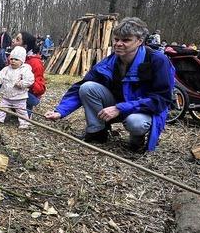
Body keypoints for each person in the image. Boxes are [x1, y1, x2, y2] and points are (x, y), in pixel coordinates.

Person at [44, 17, 174, 152]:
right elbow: (82, 85)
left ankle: (137, 139)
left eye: (126, 40)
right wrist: (60, 111)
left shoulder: (158, 61)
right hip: (117, 105)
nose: (118, 44)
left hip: (144, 109)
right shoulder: (111, 61)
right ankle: (97, 132)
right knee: (87, 87)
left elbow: (162, 99)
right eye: (116, 39)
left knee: (135, 123)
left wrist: (120, 108)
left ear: (139, 41)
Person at [0, 47, 34, 127]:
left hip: (19, 96)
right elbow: (0, 75)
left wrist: (21, 83)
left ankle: (24, 123)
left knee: (21, 111)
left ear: (22, 61)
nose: (13, 61)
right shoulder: (6, 69)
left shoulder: (25, 70)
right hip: (6, 95)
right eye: (12, 59)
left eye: (16, 59)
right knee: (2, 108)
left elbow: (30, 80)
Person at [12, 31, 46, 117]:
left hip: (31, 95)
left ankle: (26, 111)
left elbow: (40, 89)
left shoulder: (35, 63)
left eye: (17, 40)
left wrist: (26, 82)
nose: (13, 40)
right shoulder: (15, 58)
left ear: (24, 46)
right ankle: (16, 108)